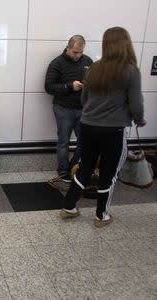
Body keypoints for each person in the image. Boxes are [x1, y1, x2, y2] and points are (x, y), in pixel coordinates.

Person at [59, 27, 146, 227]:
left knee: (84, 168)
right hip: (113, 130)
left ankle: (69, 207)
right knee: (109, 173)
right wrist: (139, 120)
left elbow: (84, 98)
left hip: (88, 125)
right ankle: (101, 215)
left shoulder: (93, 68)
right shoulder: (130, 70)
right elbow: (136, 104)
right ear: (126, 43)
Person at [45, 35, 93, 182]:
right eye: (74, 52)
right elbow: (48, 87)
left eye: (80, 52)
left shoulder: (88, 61)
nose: (78, 55)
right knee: (63, 141)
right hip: (63, 108)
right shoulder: (57, 63)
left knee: (84, 141)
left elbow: (95, 81)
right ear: (67, 47)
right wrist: (69, 86)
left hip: (84, 108)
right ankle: (63, 171)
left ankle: (74, 167)